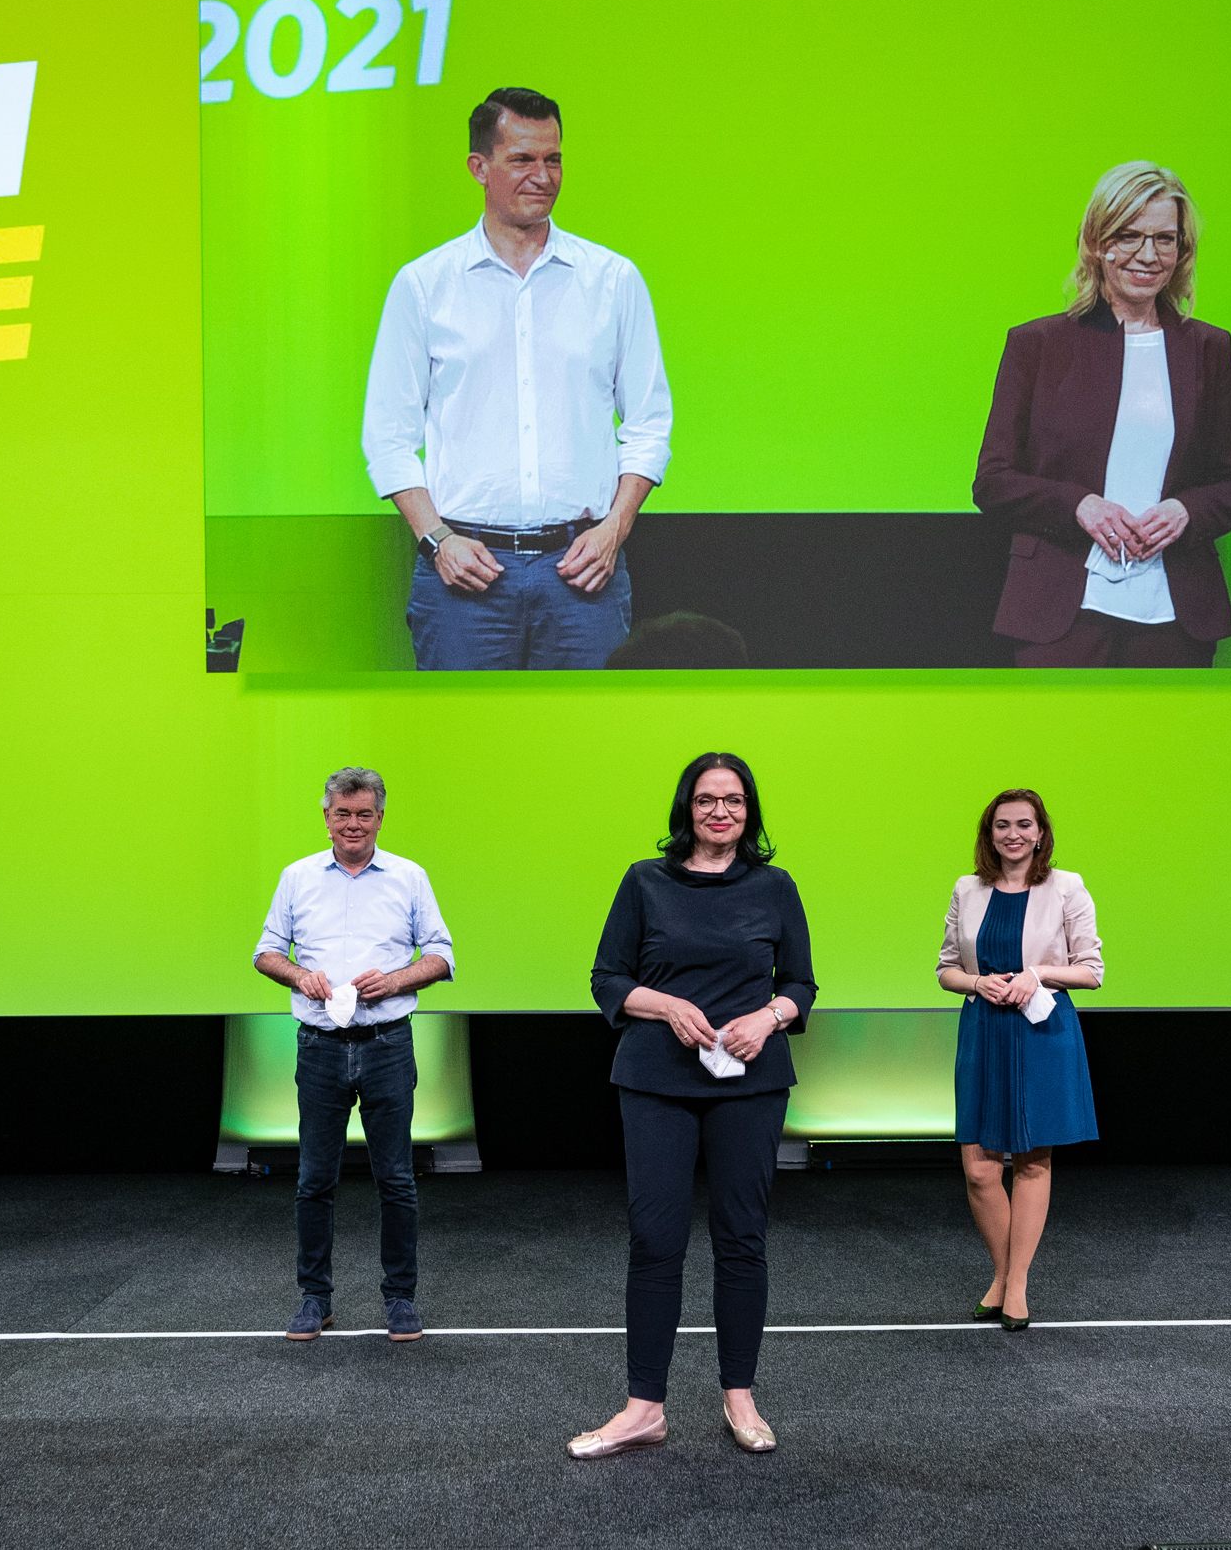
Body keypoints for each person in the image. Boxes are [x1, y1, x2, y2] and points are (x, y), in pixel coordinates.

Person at [362, 86, 673, 670]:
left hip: (584, 571)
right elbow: (387, 435)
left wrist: (615, 529)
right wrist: (437, 540)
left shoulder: (612, 280)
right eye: (523, 159)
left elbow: (650, 424)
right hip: (464, 574)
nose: (544, 175)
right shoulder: (425, 285)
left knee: (590, 747)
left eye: (553, 159)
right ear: (479, 168)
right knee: (462, 748)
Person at [575, 752, 818, 1459]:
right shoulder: (643, 881)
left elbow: (800, 983)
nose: (721, 811)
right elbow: (607, 977)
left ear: (750, 811)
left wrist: (767, 1017)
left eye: (734, 800)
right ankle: (643, 1406)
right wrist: (666, 1003)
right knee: (655, 1239)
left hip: (751, 1079)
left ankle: (738, 1395)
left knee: (741, 1237)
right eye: (707, 799)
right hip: (655, 1078)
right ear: (686, 808)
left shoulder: (774, 885)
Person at [972, 161, 1231, 666]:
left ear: (1182, 251)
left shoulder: (1208, 349)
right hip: (1059, 614)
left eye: (1165, 240)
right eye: (1129, 236)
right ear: (1097, 243)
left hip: (1175, 619)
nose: (1148, 256)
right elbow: (992, 482)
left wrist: (1185, 511)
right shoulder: (1037, 345)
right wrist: (1081, 505)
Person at [254, 767, 456, 1343]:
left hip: (387, 1044)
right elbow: (266, 953)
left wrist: (394, 980)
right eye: (342, 813)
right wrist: (302, 976)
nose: (353, 824)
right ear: (326, 817)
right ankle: (314, 1299)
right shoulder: (296, 878)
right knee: (314, 1179)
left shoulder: (409, 877)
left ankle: (400, 1299)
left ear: (380, 817)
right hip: (319, 1046)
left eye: (364, 813)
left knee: (396, 1178)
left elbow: (441, 955)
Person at [936, 789, 1103, 1331]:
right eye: (1002, 825)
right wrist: (978, 981)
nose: (1013, 834)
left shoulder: (1066, 887)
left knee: (1032, 1159)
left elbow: (1092, 970)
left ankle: (1016, 1285)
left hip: (1042, 1029)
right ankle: (1003, 1273)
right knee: (980, 1168)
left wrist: (1039, 974)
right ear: (989, 834)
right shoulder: (968, 888)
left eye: (1024, 824)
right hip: (983, 1030)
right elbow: (945, 970)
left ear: (1040, 831)